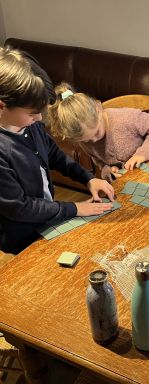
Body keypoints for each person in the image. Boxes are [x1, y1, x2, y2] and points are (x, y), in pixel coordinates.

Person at [0, 47, 115, 254]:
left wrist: (88, 178)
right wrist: (74, 208)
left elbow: (54, 155)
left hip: (46, 220)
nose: (39, 119)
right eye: (33, 113)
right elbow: (20, 207)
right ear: (2, 106)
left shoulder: (30, 125)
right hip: (22, 237)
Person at [47, 82, 149, 182]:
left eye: (96, 132)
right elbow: (97, 159)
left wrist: (143, 154)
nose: (94, 140)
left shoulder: (125, 118)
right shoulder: (84, 139)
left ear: (98, 110)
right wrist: (107, 169)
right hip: (130, 182)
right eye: (87, 140)